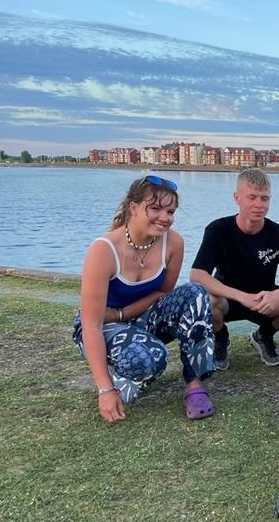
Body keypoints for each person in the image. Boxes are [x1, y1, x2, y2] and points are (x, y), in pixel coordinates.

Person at [73, 175, 215, 423]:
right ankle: (115, 377)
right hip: (100, 326)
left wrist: (122, 314)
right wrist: (104, 390)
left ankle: (194, 385)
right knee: (152, 358)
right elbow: (91, 325)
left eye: (170, 211)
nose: (165, 218)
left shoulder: (174, 243)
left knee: (196, 293)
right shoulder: (103, 250)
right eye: (156, 208)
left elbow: (162, 294)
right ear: (134, 207)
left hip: (135, 316)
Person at [190, 169, 279, 369]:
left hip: (264, 299)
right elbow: (197, 274)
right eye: (252, 197)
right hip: (228, 300)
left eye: (264, 198)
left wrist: (277, 295)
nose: (259, 204)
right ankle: (220, 338)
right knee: (207, 300)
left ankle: (264, 335)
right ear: (236, 198)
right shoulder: (218, 229)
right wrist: (241, 296)